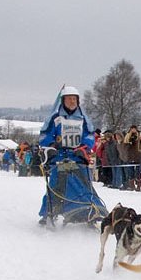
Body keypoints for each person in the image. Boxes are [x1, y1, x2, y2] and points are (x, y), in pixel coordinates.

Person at [38, 86, 101, 224]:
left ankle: (90, 211)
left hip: (77, 156)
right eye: (69, 99)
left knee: (84, 184)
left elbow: (90, 135)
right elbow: (45, 135)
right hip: (59, 156)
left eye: (74, 99)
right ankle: (49, 212)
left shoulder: (83, 118)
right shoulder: (56, 117)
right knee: (57, 185)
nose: (72, 102)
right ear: (63, 100)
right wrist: (52, 146)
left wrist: (84, 147)